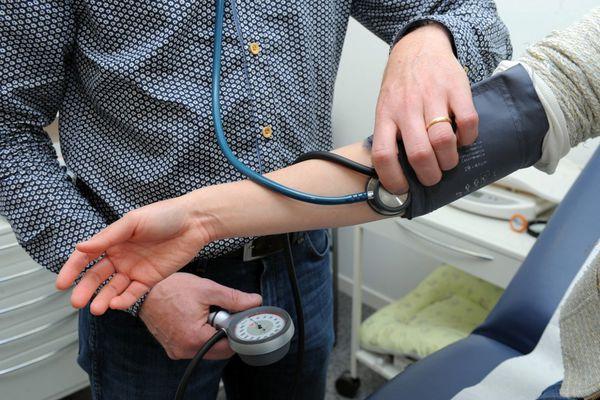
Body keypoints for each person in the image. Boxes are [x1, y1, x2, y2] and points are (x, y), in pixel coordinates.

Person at [57, 7, 600, 400]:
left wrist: (429, 38)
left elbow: (464, 14)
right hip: (143, 272)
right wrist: (149, 282)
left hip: (301, 261)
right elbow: (13, 132)